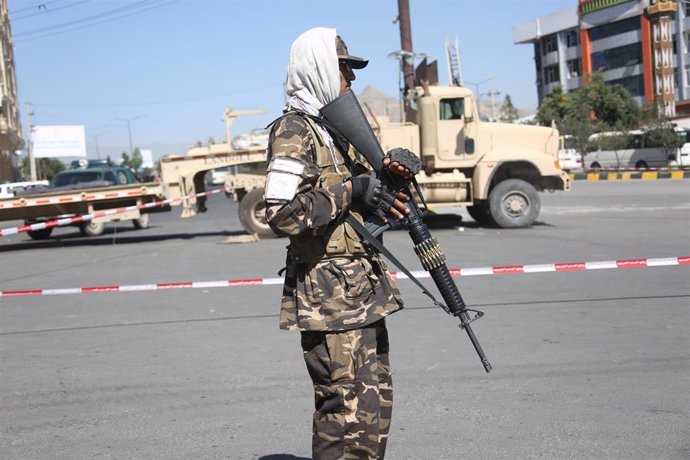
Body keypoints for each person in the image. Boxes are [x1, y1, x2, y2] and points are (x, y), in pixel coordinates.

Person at [264, 27, 414, 459]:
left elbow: (361, 199)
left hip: (361, 290)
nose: (350, 79)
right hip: (328, 300)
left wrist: (389, 178)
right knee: (343, 412)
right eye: (343, 69)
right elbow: (281, 213)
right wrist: (353, 190)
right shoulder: (294, 130)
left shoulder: (334, 130)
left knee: (372, 406)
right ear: (318, 70)